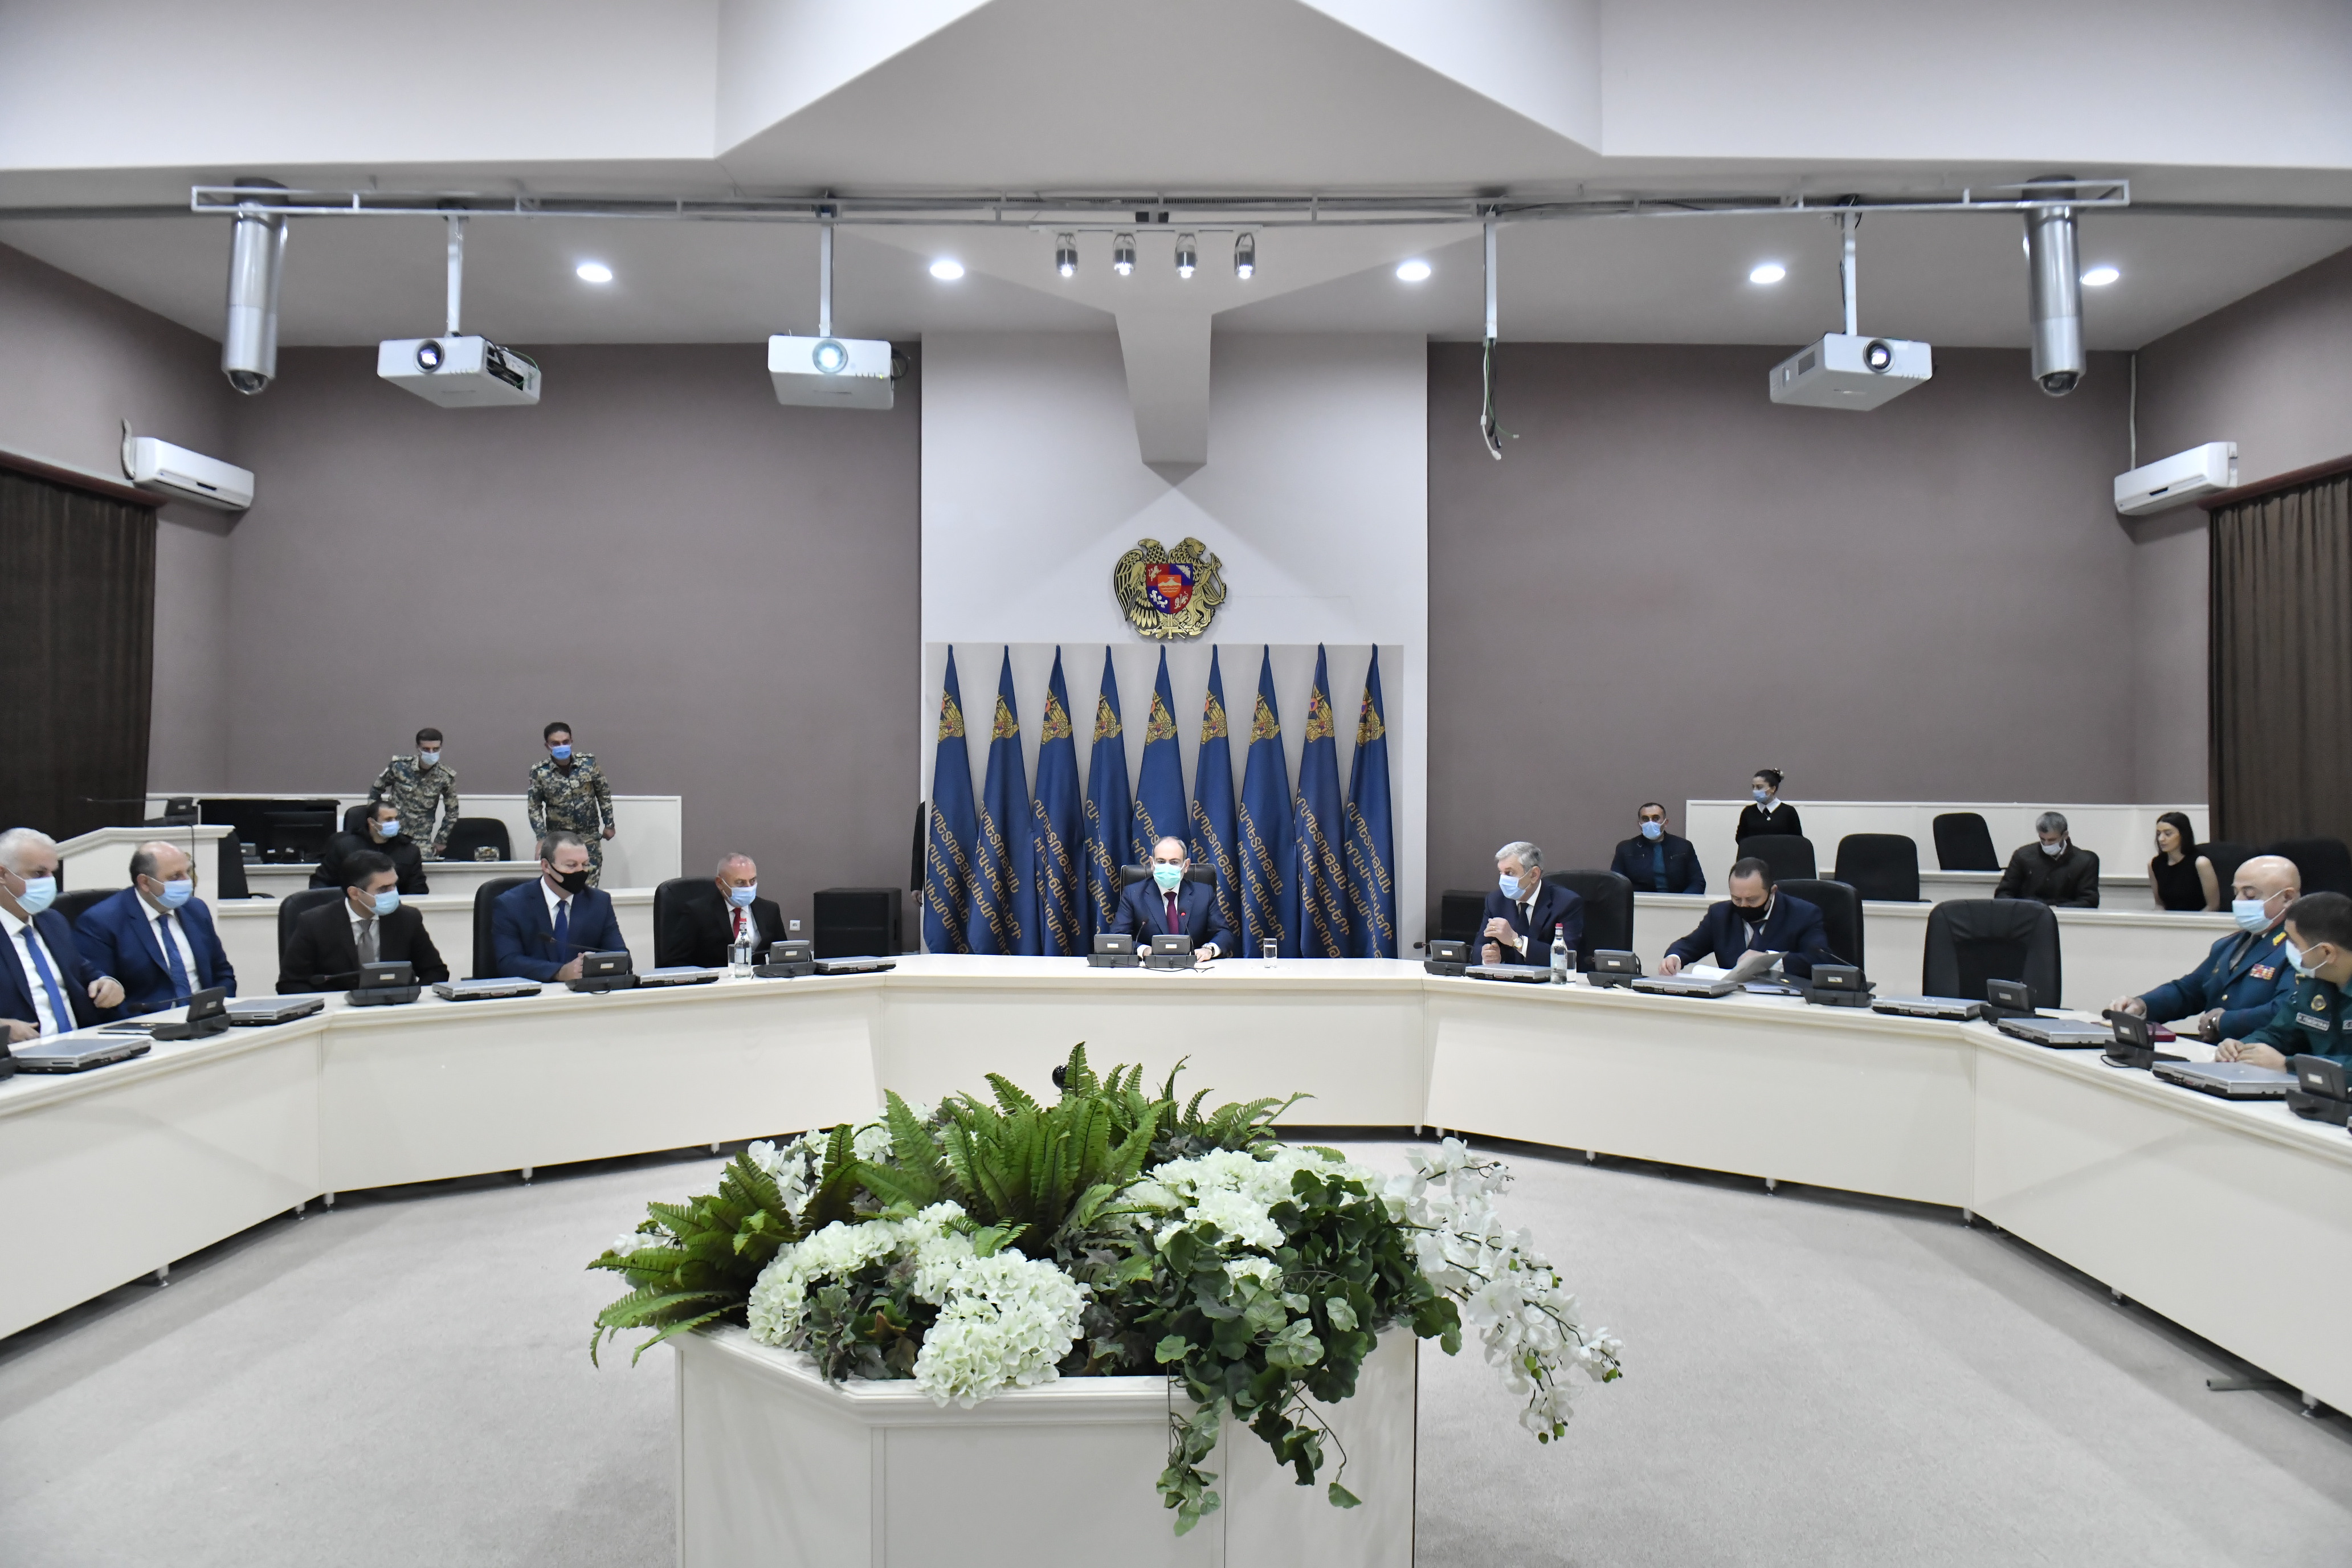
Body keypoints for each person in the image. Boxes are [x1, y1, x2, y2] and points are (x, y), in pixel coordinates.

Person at [2110, 855, 2299, 1043]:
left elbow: (2287, 1011)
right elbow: (2190, 990)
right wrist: (2142, 1005)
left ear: (2287, 898)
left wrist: (2222, 1022)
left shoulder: (2299, 949)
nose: (2238, 901)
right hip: (2216, 1052)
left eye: (2250, 894)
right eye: (2236, 892)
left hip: (2258, 1052)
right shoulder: (2230, 944)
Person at [76, 841, 238, 1016]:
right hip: (145, 1024)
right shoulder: (101, 921)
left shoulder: (196, 909)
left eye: (188, 872)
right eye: (175, 877)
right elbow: (103, 996)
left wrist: (217, 1009)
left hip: (206, 1019)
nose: (187, 881)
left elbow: (222, 972)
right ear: (145, 882)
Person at [0, 827, 125, 1040]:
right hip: (23, 1054)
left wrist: (107, 983)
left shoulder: (53, 921)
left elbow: (84, 971)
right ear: (3, 875)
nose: (50, 882)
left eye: (52, 873)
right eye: (39, 874)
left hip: (81, 1044)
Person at [277, 850, 450, 993]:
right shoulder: (314, 923)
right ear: (355, 893)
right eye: (383, 889)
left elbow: (436, 972)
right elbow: (290, 984)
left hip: (395, 1009)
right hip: (338, 1015)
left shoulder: (408, 918)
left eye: (394, 885)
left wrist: (411, 997)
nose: (393, 893)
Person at [2218, 892, 2352, 1069]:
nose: (2289, 950)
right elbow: (2278, 1034)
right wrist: (2241, 1048)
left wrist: (2288, 1064)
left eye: (2295, 944)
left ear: (2327, 952)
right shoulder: (2314, 985)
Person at [1659, 857, 1836, 979]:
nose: (1744, 906)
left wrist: (1768, 961)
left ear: (1772, 892)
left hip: (1783, 1004)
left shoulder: (1803, 914)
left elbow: (1821, 961)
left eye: (1752, 900)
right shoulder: (1721, 914)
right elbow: (1690, 945)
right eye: (1737, 899)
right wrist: (1674, 958)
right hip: (1732, 1001)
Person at [492, 831, 628, 982]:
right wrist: (560, 972)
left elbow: (623, 958)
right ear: (546, 866)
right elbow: (508, 963)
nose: (580, 872)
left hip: (583, 993)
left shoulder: (599, 902)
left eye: (585, 865)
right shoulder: (511, 904)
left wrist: (593, 964)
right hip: (533, 993)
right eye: (571, 865)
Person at [659, 852, 786, 968]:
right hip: (714, 982)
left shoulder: (769, 910)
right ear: (720, 883)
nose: (748, 888)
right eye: (740, 883)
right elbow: (674, 961)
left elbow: (784, 956)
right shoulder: (697, 913)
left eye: (752, 881)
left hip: (757, 981)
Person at [526, 722, 616, 887]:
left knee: (589, 888)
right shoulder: (540, 772)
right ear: (547, 746)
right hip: (559, 840)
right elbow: (534, 806)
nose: (562, 746)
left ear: (571, 741)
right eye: (555, 743)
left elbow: (603, 793)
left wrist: (609, 824)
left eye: (565, 742)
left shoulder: (588, 763)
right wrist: (541, 837)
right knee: (563, 886)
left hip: (589, 837)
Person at [1114, 837, 1235, 958]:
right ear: (1152, 864)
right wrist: (1144, 950)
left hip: (1194, 966)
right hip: (1150, 966)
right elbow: (1118, 937)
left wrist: (1209, 950)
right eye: (1161, 862)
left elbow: (1224, 934)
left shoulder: (1204, 894)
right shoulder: (1133, 894)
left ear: (1186, 865)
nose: (1167, 868)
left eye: (1174, 862)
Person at [1480, 841, 1582, 967]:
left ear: (1534, 875)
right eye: (1501, 873)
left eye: (1509, 873)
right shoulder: (1496, 901)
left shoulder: (1566, 903)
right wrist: (1488, 957)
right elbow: (1479, 946)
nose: (1503, 880)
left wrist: (1516, 941)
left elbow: (1566, 958)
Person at [369, 728, 461, 861]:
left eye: (435, 749)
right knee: (381, 862)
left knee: (421, 865)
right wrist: (376, 824)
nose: (431, 753)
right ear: (418, 747)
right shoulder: (400, 766)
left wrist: (441, 839)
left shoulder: (445, 776)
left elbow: (452, 811)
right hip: (393, 833)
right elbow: (376, 790)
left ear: (441, 748)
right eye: (426, 749)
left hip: (421, 838)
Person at [312, 800, 428, 895]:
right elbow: (321, 883)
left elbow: (418, 889)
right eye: (388, 820)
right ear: (372, 822)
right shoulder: (344, 846)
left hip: (395, 908)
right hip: (350, 907)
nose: (394, 823)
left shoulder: (409, 851)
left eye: (396, 819)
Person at [1995, 811, 2101, 908]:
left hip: (2067, 917)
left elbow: (2090, 901)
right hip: (2028, 915)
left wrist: (2055, 908)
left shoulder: (2085, 861)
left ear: (2065, 835)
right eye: (2042, 839)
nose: (2046, 844)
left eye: (2052, 840)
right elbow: (2003, 894)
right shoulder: (2023, 856)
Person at [1608, 803, 1705, 895]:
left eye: (1656, 819)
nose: (1650, 823)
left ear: (1666, 823)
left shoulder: (1683, 846)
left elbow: (1698, 882)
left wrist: (1682, 901)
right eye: (1645, 819)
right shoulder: (1626, 849)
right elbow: (1616, 883)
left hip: (1678, 902)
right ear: (1639, 824)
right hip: (1639, 902)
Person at [2147, 811, 2220, 912]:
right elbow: (2160, 904)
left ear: (2183, 835)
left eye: (2168, 834)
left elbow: (2213, 906)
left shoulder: (2201, 863)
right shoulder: (2154, 864)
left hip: (2198, 917)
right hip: (2170, 919)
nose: (2161, 839)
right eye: (2159, 834)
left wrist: (2194, 920)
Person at [1734, 770, 1800, 843]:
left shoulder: (1789, 812)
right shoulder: (1748, 812)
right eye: (1753, 787)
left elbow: (1797, 840)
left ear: (1773, 789)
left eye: (1759, 787)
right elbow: (1741, 839)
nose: (1755, 790)